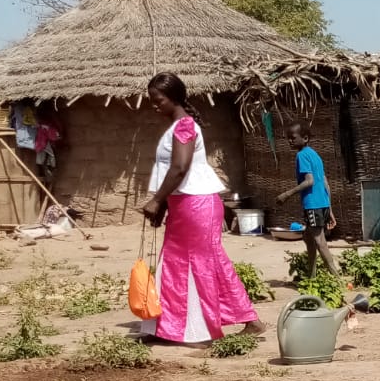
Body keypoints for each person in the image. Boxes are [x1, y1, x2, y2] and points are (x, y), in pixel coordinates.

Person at [138, 72, 262, 343]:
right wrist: (165, 205)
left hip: (196, 206)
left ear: (174, 98)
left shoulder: (184, 126)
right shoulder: (177, 127)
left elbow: (180, 168)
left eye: (158, 100)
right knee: (178, 263)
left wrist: (157, 200)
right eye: (152, 100)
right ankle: (169, 326)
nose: (154, 105)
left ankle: (204, 326)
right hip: (185, 205)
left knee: (200, 264)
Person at [278, 122, 338, 276]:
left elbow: (309, 181)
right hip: (322, 203)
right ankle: (311, 276)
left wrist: (287, 194)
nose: (290, 141)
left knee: (319, 241)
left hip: (313, 204)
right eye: (288, 139)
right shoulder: (315, 155)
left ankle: (336, 277)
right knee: (308, 237)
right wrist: (329, 209)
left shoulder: (302, 155)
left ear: (305, 138)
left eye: (293, 138)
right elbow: (325, 182)